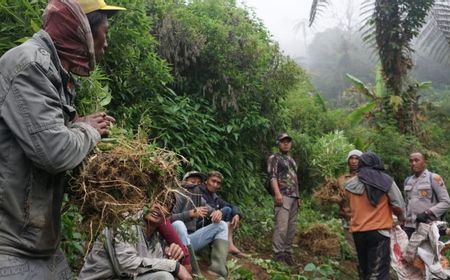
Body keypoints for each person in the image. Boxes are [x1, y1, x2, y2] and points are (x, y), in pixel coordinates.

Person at [0, 0, 124, 278]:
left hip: (39, 245)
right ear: (80, 30)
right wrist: (89, 130)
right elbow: (54, 151)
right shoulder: (31, 65)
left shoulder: (53, 72)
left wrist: (72, 126)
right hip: (11, 248)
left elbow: (43, 136)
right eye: (105, 31)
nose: (106, 43)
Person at [79, 202, 192, 280]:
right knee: (164, 278)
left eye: (165, 204)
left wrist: (172, 257)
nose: (158, 206)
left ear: (168, 215)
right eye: (155, 200)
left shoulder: (155, 238)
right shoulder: (122, 222)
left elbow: (151, 266)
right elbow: (125, 266)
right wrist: (173, 265)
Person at [345, 152, 405, 280]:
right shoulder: (386, 181)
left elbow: (348, 208)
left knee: (365, 270)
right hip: (379, 232)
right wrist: (400, 219)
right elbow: (398, 205)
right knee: (378, 273)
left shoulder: (349, 184)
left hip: (358, 232)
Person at [171, 171, 229, 278]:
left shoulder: (199, 198)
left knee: (222, 225)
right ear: (184, 182)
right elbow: (167, 220)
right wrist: (190, 214)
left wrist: (219, 212)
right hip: (173, 244)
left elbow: (212, 211)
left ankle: (218, 269)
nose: (195, 185)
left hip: (189, 242)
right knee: (179, 224)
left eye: (198, 183)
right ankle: (193, 270)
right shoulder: (176, 194)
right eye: (192, 181)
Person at [267, 133, 300, 266]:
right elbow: (272, 176)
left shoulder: (292, 160)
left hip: (294, 196)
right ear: (278, 143)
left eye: (288, 141)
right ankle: (278, 255)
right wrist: (277, 193)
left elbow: (295, 179)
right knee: (282, 226)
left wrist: (299, 196)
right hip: (283, 195)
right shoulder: (274, 157)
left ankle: (287, 253)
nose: (286, 143)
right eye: (283, 141)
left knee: (291, 228)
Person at [403, 152, 450, 238]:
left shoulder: (433, 178)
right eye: (411, 161)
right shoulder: (408, 180)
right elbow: (406, 204)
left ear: (424, 162)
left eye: (417, 160)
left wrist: (427, 213)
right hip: (409, 226)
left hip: (428, 226)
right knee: (408, 251)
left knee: (427, 252)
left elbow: (446, 202)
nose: (413, 163)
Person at [199, 171, 243, 256]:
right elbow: (205, 207)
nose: (215, 184)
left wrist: (236, 214)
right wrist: (218, 211)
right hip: (198, 223)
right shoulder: (198, 190)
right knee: (226, 210)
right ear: (206, 181)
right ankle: (220, 247)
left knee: (230, 210)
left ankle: (228, 244)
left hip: (209, 222)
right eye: (213, 181)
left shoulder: (215, 197)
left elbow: (231, 205)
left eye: (218, 183)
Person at [338, 150, 362, 249]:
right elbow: (338, 197)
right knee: (351, 247)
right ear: (348, 161)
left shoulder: (365, 178)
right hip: (347, 217)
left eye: (357, 158)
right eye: (351, 158)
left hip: (362, 218)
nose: (354, 161)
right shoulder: (341, 179)